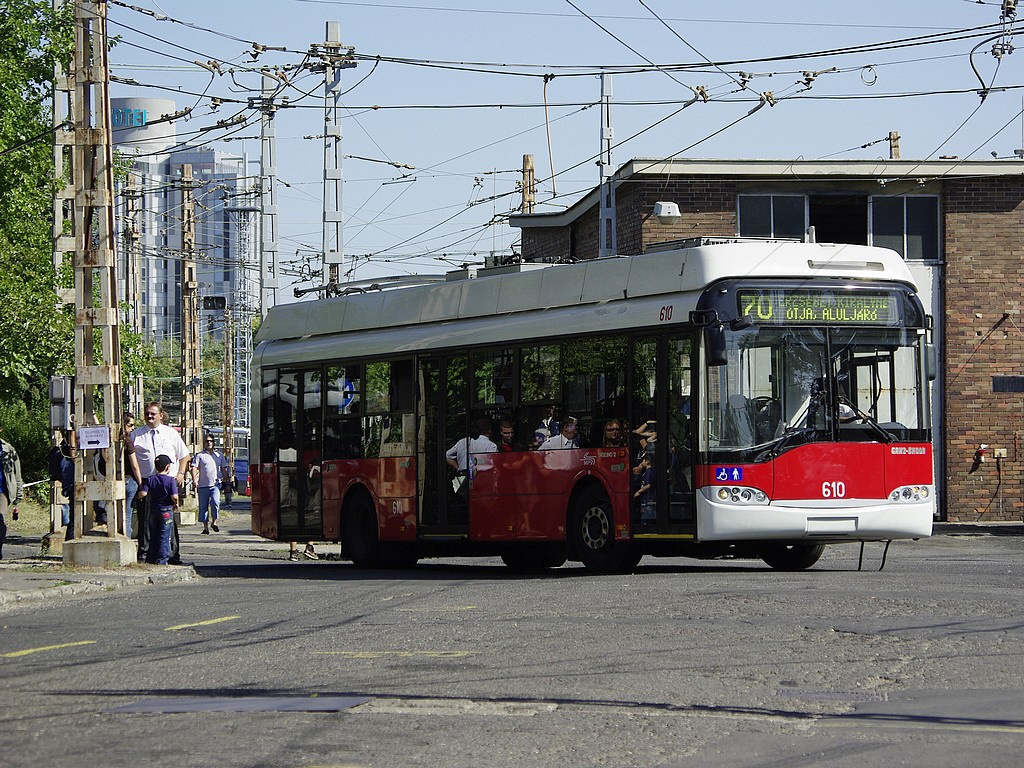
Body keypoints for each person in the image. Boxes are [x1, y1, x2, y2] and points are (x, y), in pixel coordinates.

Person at [130, 402, 191, 564]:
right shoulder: (137, 435)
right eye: (147, 413)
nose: (150, 416)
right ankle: (146, 554)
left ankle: (172, 555)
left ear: (161, 415)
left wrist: (180, 473)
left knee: (168, 521)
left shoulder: (170, 434)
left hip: (167, 483)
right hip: (147, 483)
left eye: (153, 414)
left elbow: (184, 455)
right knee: (146, 521)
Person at [134, 454, 179, 565]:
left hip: (153, 510)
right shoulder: (170, 481)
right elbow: (174, 496)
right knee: (164, 536)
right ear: (167, 467)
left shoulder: (150, 479)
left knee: (153, 535)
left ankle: (151, 558)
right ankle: (162, 560)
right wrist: (176, 504)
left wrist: (138, 497)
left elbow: (143, 493)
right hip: (166, 510)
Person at [191, 435, 228, 534]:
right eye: (207, 441)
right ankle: (205, 528)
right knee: (203, 507)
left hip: (215, 484)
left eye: (211, 441)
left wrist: (227, 480)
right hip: (203, 485)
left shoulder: (219, 455)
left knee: (215, 503)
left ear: (214, 442)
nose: (209, 443)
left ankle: (214, 522)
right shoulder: (200, 455)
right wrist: (195, 479)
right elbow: (194, 467)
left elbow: (224, 468)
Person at [0, 421, 24, 561]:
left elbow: (17, 472)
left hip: (2, 491)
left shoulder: (8, 449)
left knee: (0, 519)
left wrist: (18, 494)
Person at [122, 412, 142, 538]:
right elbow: (134, 465)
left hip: (116, 481)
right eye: (130, 425)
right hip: (130, 481)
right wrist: (141, 483)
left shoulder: (110, 440)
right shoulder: (127, 441)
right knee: (127, 516)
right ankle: (126, 541)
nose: (132, 428)